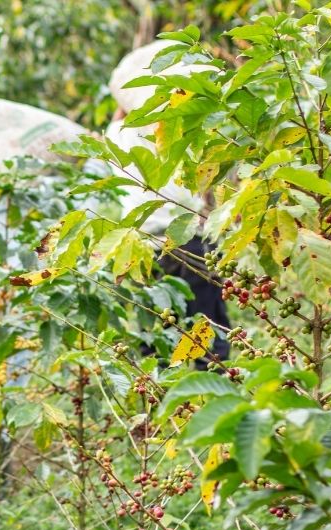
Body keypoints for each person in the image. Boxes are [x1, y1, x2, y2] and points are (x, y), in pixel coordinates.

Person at [108, 42, 231, 358]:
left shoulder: (116, 134)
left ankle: (159, 398)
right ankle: (213, 389)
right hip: (190, 240)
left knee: (158, 330)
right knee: (206, 326)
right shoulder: (183, 131)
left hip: (143, 246)